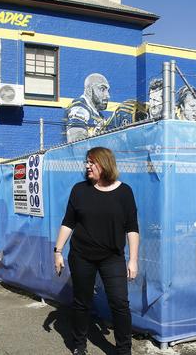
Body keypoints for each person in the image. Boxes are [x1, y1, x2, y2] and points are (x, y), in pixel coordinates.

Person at [54, 147, 140, 355]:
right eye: (86, 162)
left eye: (92, 162)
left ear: (105, 164)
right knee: (82, 302)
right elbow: (68, 223)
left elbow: (132, 228)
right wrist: (58, 251)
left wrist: (133, 259)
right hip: (81, 256)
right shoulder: (79, 190)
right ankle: (78, 345)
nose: (87, 166)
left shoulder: (124, 192)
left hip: (112, 257)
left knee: (120, 303)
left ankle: (123, 350)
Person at [66, 73, 111, 143]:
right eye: (102, 89)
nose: (108, 95)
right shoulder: (80, 108)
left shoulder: (99, 115)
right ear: (89, 90)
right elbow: (76, 143)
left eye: (108, 91)